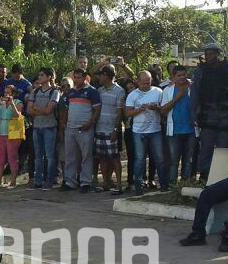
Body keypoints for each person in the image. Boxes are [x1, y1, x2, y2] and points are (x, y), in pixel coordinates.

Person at [190, 42, 228, 180]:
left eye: (211, 53)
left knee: (223, 149)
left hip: (225, 115)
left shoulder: (227, 69)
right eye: (206, 54)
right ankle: (205, 177)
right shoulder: (200, 71)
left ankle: (222, 177)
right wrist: (194, 114)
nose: (208, 56)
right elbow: (195, 93)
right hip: (206, 115)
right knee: (206, 148)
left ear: (217, 54)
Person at [124, 70, 167, 194]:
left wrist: (156, 108)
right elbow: (127, 113)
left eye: (148, 83)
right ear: (138, 82)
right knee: (139, 159)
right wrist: (139, 110)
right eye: (143, 83)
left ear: (151, 81)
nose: (146, 86)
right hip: (138, 132)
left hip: (155, 131)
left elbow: (164, 110)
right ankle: (139, 186)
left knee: (159, 158)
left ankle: (163, 184)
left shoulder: (158, 92)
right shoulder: (133, 95)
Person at [60, 68, 101, 192]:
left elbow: (97, 110)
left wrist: (90, 123)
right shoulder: (70, 92)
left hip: (85, 128)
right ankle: (70, 181)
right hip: (70, 128)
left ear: (84, 78)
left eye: (79, 77)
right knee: (70, 156)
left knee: (86, 156)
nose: (77, 80)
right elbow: (66, 109)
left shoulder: (92, 91)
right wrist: (64, 123)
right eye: (75, 77)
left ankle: (85, 182)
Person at [160, 65, 194, 187]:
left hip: (191, 130)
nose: (182, 77)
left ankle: (186, 185)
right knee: (174, 161)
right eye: (179, 75)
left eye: (184, 75)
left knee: (188, 160)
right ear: (173, 77)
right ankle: (172, 186)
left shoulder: (193, 87)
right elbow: (163, 110)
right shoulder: (168, 90)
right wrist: (179, 96)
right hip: (174, 130)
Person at [93, 65, 125, 194]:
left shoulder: (119, 91)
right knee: (102, 158)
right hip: (99, 128)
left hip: (111, 129)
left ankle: (119, 185)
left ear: (106, 75)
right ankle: (105, 183)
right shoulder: (99, 90)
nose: (99, 77)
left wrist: (116, 129)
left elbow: (119, 112)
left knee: (114, 158)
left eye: (101, 75)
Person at [26, 66, 60, 189]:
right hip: (37, 127)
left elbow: (49, 110)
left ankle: (49, 180)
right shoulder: (34, 92)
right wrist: (41, 110)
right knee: (38, 155)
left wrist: (37, 109)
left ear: (49, 77)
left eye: (42, 75)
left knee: (50, 156)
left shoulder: (54, 92)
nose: (39, 77)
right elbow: (29, 110)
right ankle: (38, 181)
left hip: (49, 127)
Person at [0, 84, 24, 188]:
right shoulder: (1, 104)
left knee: (12, 158)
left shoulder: (18, 102)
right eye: (5, 92)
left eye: (9, 93)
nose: (6, 95)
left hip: (13, 134)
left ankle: (13, 181)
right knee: (0, 158)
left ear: (14, 94)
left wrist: (12, 104)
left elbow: (17, 115)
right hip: (1, 134)